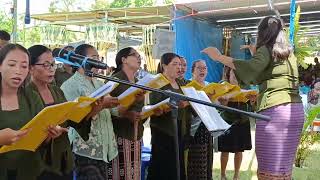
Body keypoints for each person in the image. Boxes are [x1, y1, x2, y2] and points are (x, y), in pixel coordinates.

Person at [202, 16, 304, 179]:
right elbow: (261, 75)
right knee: (284, 170)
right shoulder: (289, 53)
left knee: (269, 170)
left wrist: (219, 57)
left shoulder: (266, 49)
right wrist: (255, 53)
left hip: (276, 112)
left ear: (263, 32)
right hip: (295, 112)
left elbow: (251, 69)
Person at [27, 45, 100, 180]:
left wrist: (94, 108)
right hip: (38, 161)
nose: (51, 69)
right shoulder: (26, 94)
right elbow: (27, 131)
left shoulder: (57, 91)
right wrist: (48, 134)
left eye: (53, 65)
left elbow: (72, 120)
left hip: (63, 156)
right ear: (30, 68)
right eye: (45, 65)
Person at [0, 43, 64, 180]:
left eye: (24, 66)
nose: (18, 71)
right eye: (12, 65)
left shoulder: (31, 97)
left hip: (31, 171)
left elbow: (40, 136)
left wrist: (50, 134)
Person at [61, 44, 119, 180]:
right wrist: (101, 106)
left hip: (106, 147)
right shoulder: (69, 85)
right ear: (79, 59)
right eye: (93, 58)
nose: (97, 61)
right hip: (86, 149)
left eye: (98, 57)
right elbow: (74, 120)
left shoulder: (100, 83)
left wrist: (132, 97)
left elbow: (115, 112)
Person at [147, 53, 191, 180]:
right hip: (163, 131)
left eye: (180, 64)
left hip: (179, 129)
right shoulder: (157, 82)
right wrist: (175, 105)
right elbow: (155, 107)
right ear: (164, 66)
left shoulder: (180, 83)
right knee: (163, 168)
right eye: (175, 64)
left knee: (178, 166)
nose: (179, 67)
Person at [107, 47, 146, 180]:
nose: (139, 57)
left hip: (137, 134)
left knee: (134, 174)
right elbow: (106, 109)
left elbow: (140, 108)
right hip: (120, 134)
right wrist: (127, 114)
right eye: (134, 55)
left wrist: (144, 114)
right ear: (123, 59)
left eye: (139, 55)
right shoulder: (114, 80)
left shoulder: (138, 81)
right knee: (121, 174)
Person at [217, 66, 253, 180]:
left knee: (239, 150)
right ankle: (223, 175)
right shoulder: (222, 85)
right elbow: (219, 106)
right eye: (233, 75)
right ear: (228, 75)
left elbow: (251, 107)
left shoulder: (246, 87)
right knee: (225, 149)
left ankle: (236, 176)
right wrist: (225, 102)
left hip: (242, 121)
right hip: (227, 121)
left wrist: (252, 101)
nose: (236, 77)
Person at [187, 59, 213, 180]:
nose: (202, 70)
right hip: (195, 128)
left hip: (209, 128)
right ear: (193, 71)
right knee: (197, 161)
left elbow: (216, 106)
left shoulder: (210, 86)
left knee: (208, 160)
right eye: (199, 68)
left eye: (205, 68)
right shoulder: (188, 87)